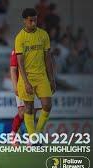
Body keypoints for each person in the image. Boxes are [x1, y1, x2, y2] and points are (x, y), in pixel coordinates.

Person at [15, 8, 55, 143]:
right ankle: (33, 138)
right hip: (27, 77)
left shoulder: (43, 35)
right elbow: (19, 63)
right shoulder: (20, 37)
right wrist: (25, 82)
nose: (33, 23)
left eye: (35, 20)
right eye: (31, 20)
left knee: (47, 105)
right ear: (25, 21)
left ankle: (37, 134)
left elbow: (48, 58)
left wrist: (52, 79)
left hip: (42, 76)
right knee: (29, 108)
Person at [9, 49, 42, 146]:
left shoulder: (38, 46)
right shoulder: (18, 48)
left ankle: (31, 140)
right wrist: (15, 86)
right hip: (22, 84)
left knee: (34, 111)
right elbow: (13, 68)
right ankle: (13, 135)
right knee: (22, 112)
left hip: (36, 83)